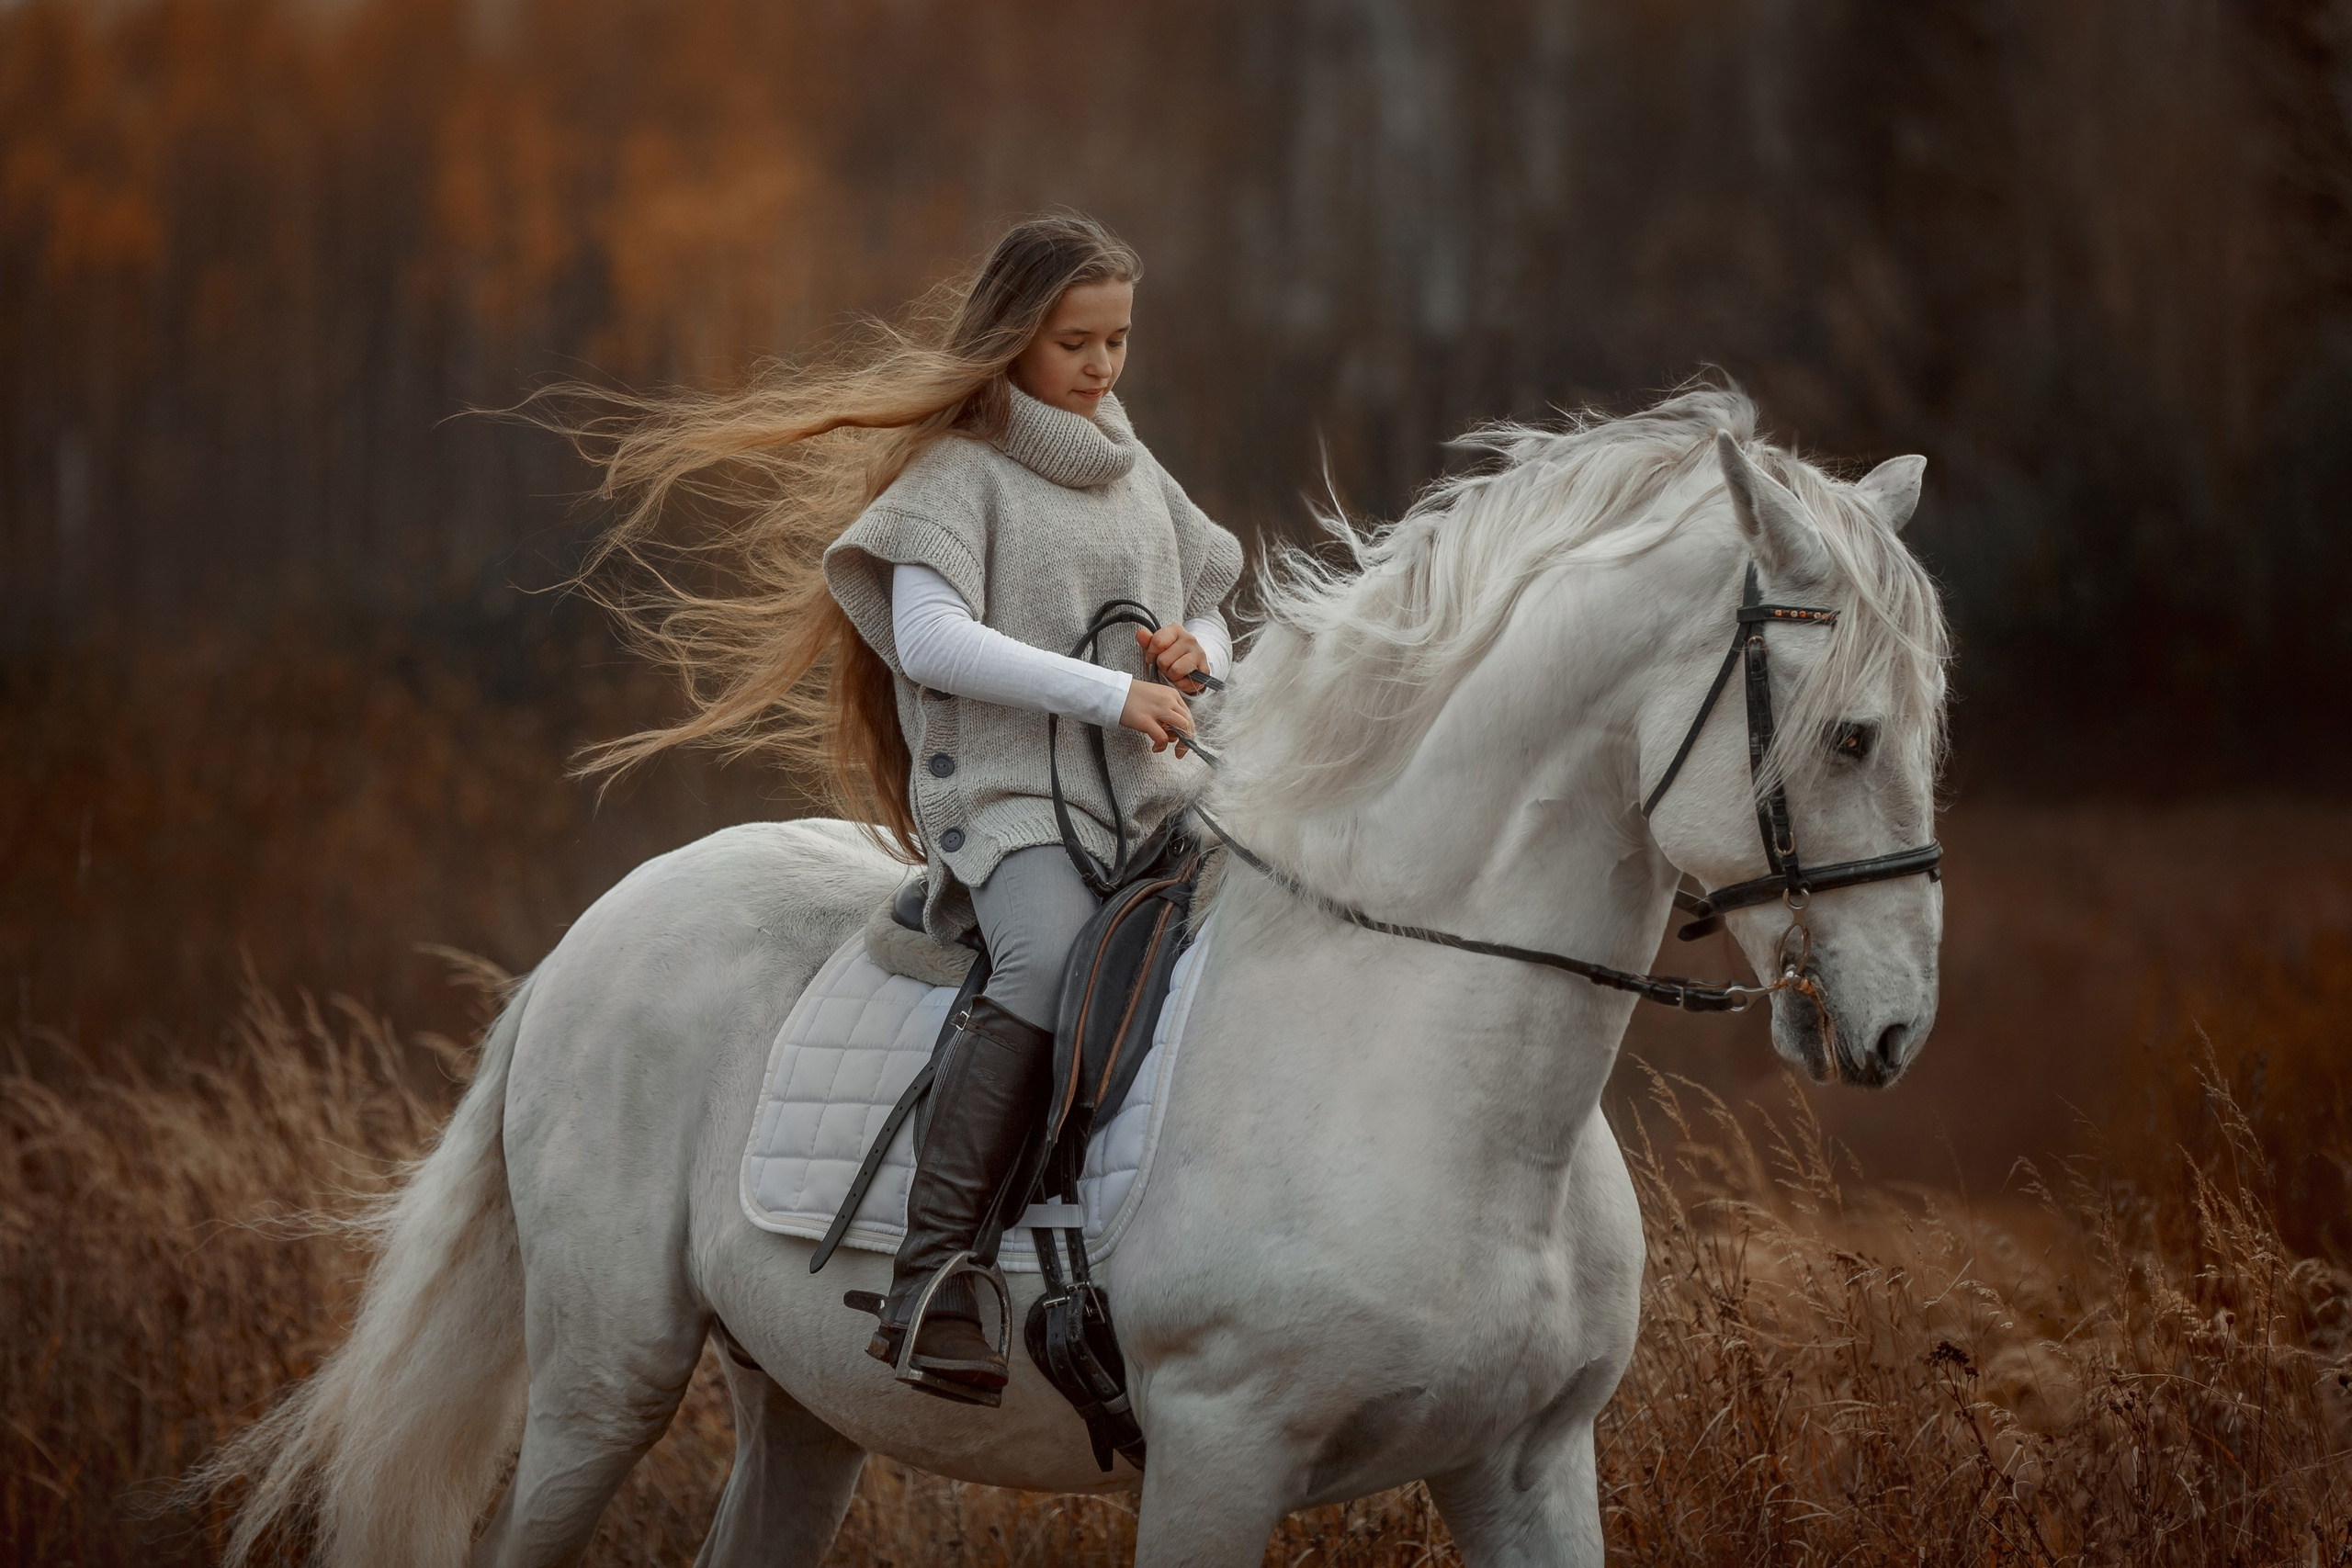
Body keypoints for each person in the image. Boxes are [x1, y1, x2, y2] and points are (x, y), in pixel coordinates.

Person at [559, 215, 1242, 1398]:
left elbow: (1213, 604)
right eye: (1074, 341)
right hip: (1013, 803)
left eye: (1118, 341)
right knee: (1043, 963)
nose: (1100, 366)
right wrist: (1111, 693)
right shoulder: (957, 477)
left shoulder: (1135, 469)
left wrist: (1197, 656)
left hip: (1147, 794)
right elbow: (929, 640)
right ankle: (936, 1274)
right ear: (1013, 335)